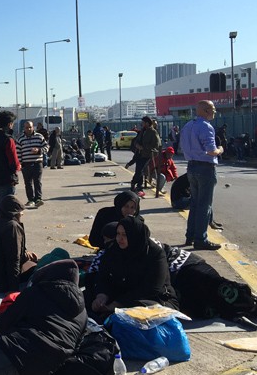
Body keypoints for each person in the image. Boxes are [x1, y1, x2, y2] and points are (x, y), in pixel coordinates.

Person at [88, 216, 178, 321]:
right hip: (119, 294)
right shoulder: (113, 249)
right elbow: (103, 276)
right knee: (85, 298)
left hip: (149, 298)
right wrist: (101, 296)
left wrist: (118, 303)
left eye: (124, 235)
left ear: (134, 235)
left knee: (140, 310)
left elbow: (152, 288)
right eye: (118, 234)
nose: (119, 239)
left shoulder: (155, 253)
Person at [180, 100, 223, 250]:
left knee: (195, 203)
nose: (214, 112)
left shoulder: (188, 126)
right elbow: (211, 150)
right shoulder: (205, 126)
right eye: (212, 109)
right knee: (205, 205)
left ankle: (190, 236)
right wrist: (220, 150)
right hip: (205, 167)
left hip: (191, 166)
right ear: (205, 110)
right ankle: (201, 239)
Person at [17, 121, 48, 208]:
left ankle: (38, 199)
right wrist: (20, 163)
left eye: (30, 127)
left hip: (37, 163)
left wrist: (39, 150)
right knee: (28, 183)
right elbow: (18, 152)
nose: (28, 129)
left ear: (33, 127)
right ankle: (30, 199)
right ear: (24, 128)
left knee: (37, 181)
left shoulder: (39, 137)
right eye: (26, 127)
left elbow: (46, 147)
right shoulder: (20, 139)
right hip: (26, 164)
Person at [130, 116, 161, 196]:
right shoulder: (142, 131)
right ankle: (138, 186)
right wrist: (137, 145)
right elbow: (136, 140)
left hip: (147, 154)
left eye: (143, 123)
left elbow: (156, 144)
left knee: (141, 170)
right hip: (139, 154)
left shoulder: (153, 132)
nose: (142, 124)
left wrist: (144, 147)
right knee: (138, 170)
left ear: (147, 123)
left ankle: (135, 184)